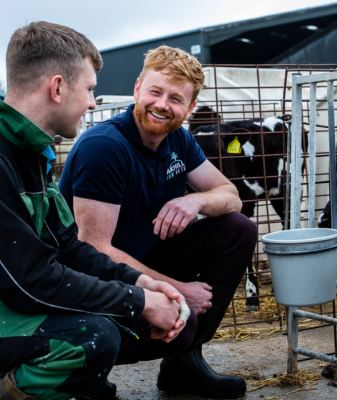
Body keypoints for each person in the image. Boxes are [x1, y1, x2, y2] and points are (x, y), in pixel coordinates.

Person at [0, 22, 199, 400]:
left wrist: (142, 284)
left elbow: (69, 248)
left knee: (110, 326)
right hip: (10, 300)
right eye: (90, 89)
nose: (94, 102)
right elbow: (29, 281)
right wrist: (139, 302)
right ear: (57, 88)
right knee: (92, 336)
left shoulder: (32, 153)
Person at [59, 45, 258, 398]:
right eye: (155, 91)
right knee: (184, 321)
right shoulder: (105, 147)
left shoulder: (178, 138)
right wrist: (177, 289)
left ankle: (184, 365)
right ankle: (82, 365)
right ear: (137, 89)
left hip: (146, 257)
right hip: (91, 280)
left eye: (176, 98)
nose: (163, 104)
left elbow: (231, 196)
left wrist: (195, 199)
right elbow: (93, 250)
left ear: (190, 107)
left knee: (238, 228)